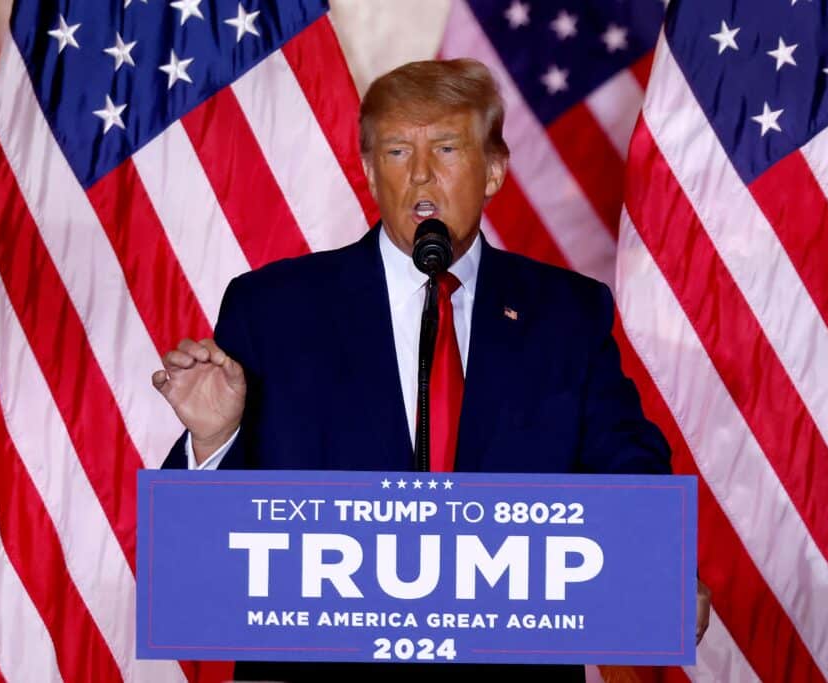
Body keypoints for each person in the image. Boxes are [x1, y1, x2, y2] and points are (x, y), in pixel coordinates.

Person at [153, 58, 709, 683]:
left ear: (494, 170)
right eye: (396, 151)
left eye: (446, 147)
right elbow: (202, 553)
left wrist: (657, 558)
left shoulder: (566, 313)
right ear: (369, 171)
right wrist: (213, 439)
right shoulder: (274, 308)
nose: (421, 174)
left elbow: (623, 459)